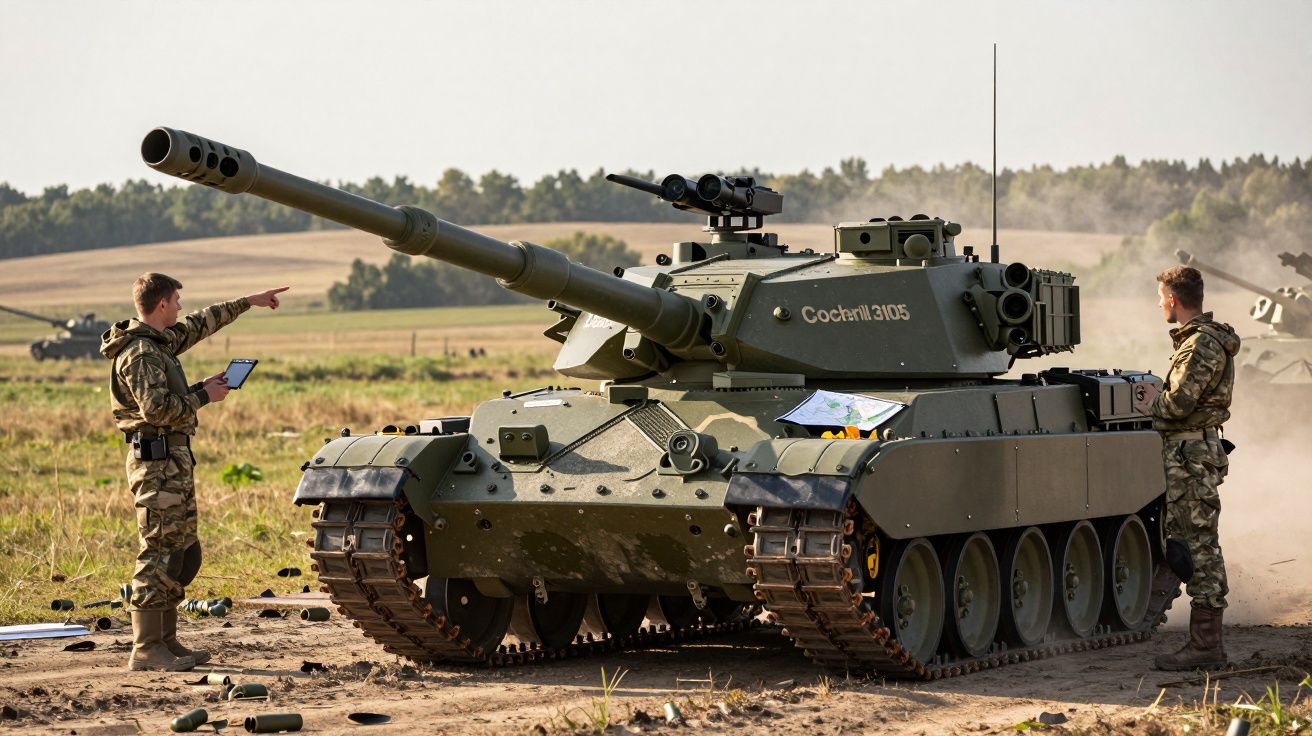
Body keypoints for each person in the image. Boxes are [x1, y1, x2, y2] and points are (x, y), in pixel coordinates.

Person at [99, 274, 289, 671]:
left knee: (182, 554)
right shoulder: (140, 352)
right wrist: (204, 396)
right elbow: (156, 410)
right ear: (161, 304)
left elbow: (201, 322)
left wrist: (249, 301)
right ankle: (147, 648)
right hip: (156, 465)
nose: (181, 306)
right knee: (159, 552)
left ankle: (166, 641)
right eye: (176, 300)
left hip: (172, 462)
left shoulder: (159, 342)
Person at [1134, 265, 1240, 671]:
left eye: (1160, 298)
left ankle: (1206, 645)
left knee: (1199, 547)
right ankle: (1204, 642)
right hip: (1190, 453)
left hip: (1191, 455)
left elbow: (1178, 404)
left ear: (1173, 299)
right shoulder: (1201, 341)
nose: (1159, 304)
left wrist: (1151, 403)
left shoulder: (1199, 345)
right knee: (1190, 543)